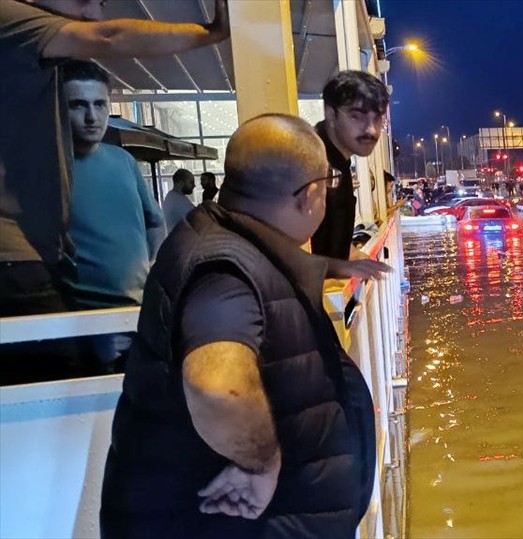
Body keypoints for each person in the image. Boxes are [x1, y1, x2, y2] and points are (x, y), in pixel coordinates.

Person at [101, 113, 390, 537]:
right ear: (309, 195)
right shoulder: (224, 270)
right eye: (326, 186)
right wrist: (260, 461)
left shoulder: (229, 244)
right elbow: (217, 385)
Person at [0, 0, 228, 382]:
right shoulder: (10, 18)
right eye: (86, 0)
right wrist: (211, 33)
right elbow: (108, 37)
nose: (93, 13)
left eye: (100, 104)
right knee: (69, 387)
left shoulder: (119, 162)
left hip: (39, 259)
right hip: (18, 262)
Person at [61, 59, 163, 372]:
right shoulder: (49, 171)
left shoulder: (123, 160)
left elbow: (155, 223)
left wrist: (155, 271)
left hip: (140, 315)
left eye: (99, 104)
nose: (92, 116)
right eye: (78, 105)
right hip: (86, 323)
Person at [310, 71, 388, 260]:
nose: (370, 130)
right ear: (331, 114)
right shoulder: (310, 161)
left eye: (377, 119)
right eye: (357, 116)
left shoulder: (339, 162)